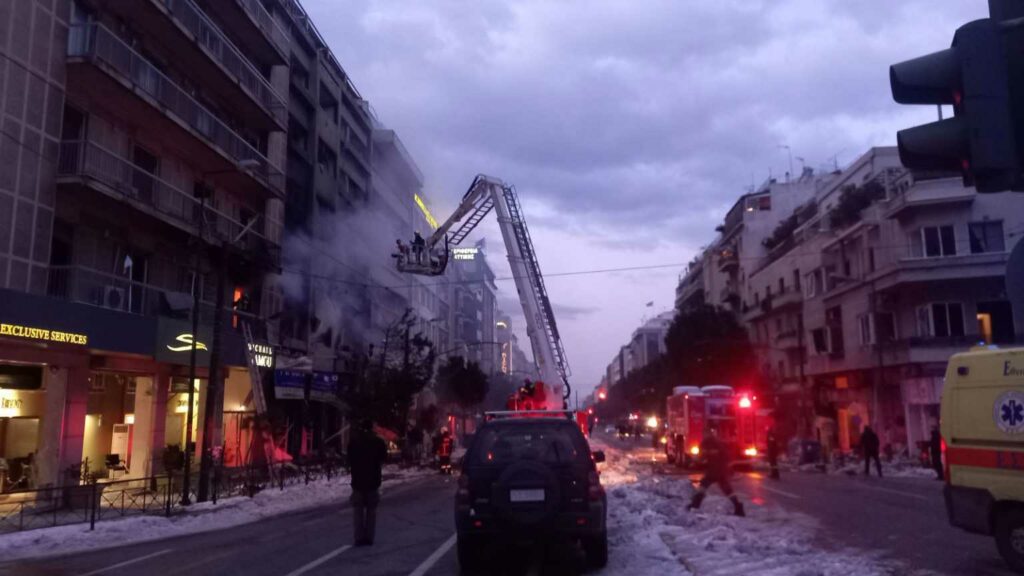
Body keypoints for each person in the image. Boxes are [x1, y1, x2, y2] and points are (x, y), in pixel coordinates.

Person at [687, 427, 745, 517]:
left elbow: (702, 458)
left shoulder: (705, 444)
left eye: (705, 433)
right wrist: (727, 467)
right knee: (727, 490)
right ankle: (738, 506)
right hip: (721, 470)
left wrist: (694, 462)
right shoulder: (718, 443)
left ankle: (695, 505)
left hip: (713, 471)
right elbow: (727, 455)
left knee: (703, 486)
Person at [347, 419, 387, 546]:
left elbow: (349, 459)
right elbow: (383, 458)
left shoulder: (354, 442)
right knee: (371, 511)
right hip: (373, 481)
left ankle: (359, 537)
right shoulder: (378, 442)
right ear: (372, 428)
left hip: (358, 480)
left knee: (358, 511)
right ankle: (369, 537)